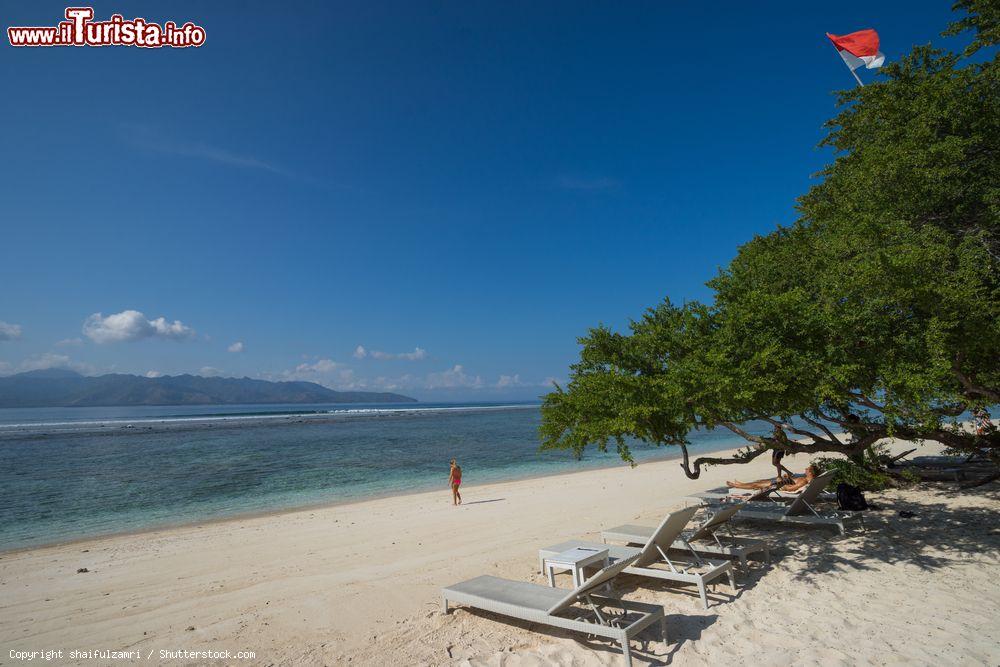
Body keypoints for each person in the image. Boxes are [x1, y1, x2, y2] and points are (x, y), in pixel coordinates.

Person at [728, 465, 818, 492]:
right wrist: (789, 478)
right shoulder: (807, 479)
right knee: (760, 481)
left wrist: (783, 484)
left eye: (807, 469)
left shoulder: (804, 481)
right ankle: (740, 484)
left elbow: (791, 488)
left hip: (779, 485)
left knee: (756, 485)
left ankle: (736, 486)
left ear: (810, 472)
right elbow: (793, 483)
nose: (805, 469)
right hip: (784, 482)